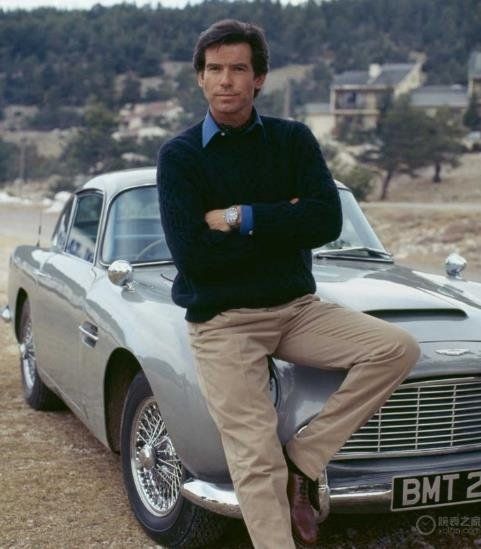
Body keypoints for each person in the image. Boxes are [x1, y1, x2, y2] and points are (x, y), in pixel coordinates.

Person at [157, 19, 420, 549]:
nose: (226, 80)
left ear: (259, 78)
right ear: (200, 78)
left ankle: (305, 455)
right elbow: (195, 257)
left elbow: (326, 221)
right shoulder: (180, 157)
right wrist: (286, 218)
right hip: (224, 322)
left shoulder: (292, 140)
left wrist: (242, 217)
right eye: (215, 69)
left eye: (238, 69)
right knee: (255, 459)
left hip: (297, 309)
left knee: (396, 348)